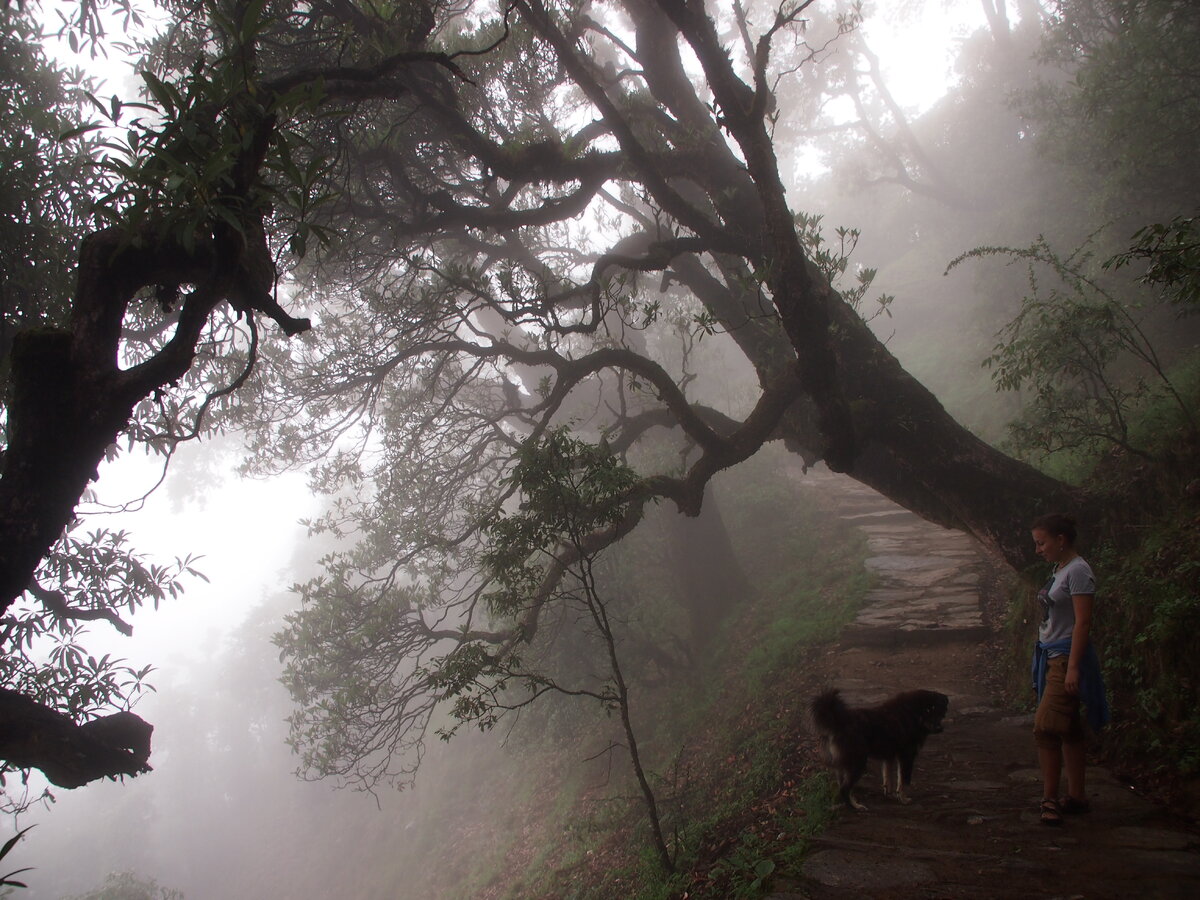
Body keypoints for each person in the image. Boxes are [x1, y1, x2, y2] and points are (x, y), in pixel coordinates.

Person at [1029, 513, 1109, 826]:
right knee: (1068, 728)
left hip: (1065, 657)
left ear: (1061, 540)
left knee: (1046, 727)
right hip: (1051, 656)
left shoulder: (1079, 571)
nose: (1038, 549)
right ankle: (1077, 797)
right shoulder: (1060, 568)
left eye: (1042, 542)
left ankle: (1050, 799)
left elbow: (1083, 621)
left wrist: (1073, 667)